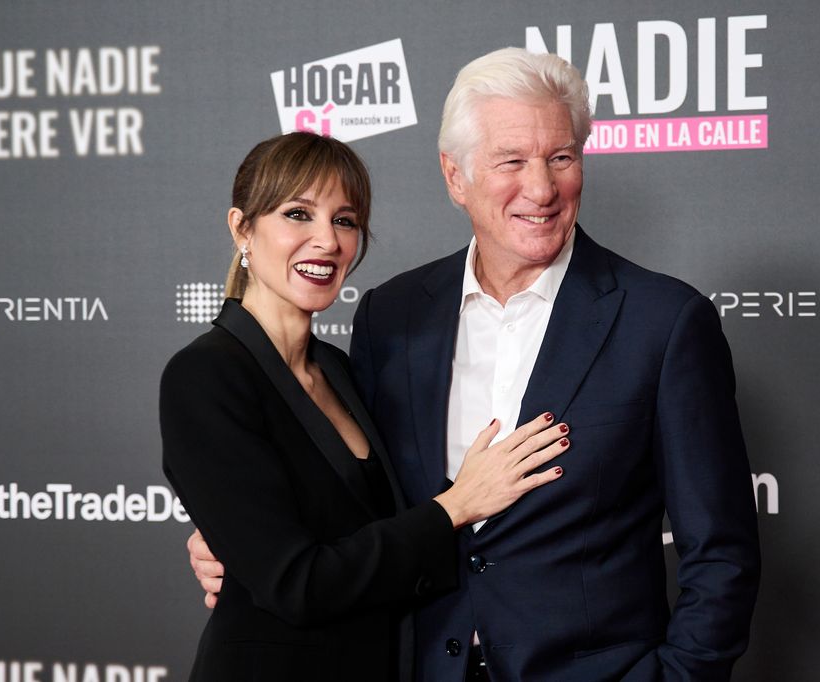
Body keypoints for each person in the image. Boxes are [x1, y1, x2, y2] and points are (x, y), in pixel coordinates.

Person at [191, 48, 760, 681]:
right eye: (511, 161)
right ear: (455, 177)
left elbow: (722, 553)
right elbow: (357, 502)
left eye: (561, 158)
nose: (541, 189)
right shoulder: (394, 314)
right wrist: (243, 546)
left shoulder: (664, 321)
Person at [161, 131, 570, 682]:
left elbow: (357, 528)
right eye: (298, 214)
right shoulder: (207, 374)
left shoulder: (339, 367)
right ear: (242, 229)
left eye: (345, 221)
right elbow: (296, 583)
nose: (326, 241)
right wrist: (458, 505)